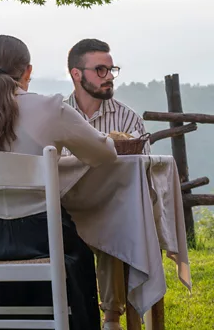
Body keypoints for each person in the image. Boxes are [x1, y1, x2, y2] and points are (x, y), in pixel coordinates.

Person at [0, 35, 117, 329]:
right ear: (28, 72)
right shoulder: (51, 108)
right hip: (40, 237)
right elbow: (104, 153)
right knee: (79, 248)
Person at [65, 38, 149, 330]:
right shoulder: (58, 115)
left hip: (112, 207)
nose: (110, 76)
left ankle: (111, 318)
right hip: (67, 210)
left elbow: (143, 174)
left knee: (115, 224)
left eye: (111, 69)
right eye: (100, 70)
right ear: (77, 74)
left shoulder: (128, 119)